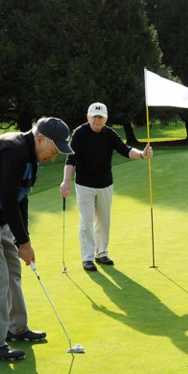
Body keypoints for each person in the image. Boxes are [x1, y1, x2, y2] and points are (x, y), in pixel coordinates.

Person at [0, 116, 74, 362]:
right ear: (40, 139)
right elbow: (10, 200)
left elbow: (22, 198)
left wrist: (25, 240)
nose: (53, 158)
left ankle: (16, 328)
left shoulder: (32, 157)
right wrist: (24, 243)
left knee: (12, 270)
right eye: (53, 151)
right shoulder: (13, 150)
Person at [60, 102, 153, 271]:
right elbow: (70, 160)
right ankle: (87, 258)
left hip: (105, 184)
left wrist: (142, 155)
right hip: (84, 185)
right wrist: (66, 181)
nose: (97, 120)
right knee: (86, 221)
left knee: (103, 221)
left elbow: (125, 150)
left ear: (105, 119)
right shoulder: (80, 133)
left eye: (100, 117)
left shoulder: (109, 134)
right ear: (88, 117)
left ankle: (101, 253)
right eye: (94, 117)